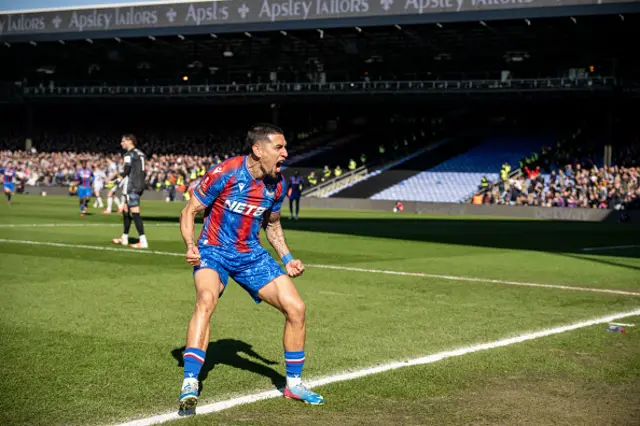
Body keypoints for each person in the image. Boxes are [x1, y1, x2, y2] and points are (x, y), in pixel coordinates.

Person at [178, 123, 324, 414]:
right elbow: (190, 210)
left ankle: (293, 384)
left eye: (285, 147)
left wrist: (287, 257)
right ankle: (190, 381)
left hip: (251, 256)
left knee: (296, 308)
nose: (285, 153)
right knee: (206, 300)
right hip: (213, 250)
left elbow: (272, 224)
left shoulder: (278, 184)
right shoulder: (227, 172)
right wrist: (190, 245)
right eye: (279, 147)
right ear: (258, 150)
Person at [111, 134, 148, 249]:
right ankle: (125, 237)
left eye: (123, 141)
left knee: (135, 212)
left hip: (132, 186)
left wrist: (116, 182)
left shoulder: (129, 154)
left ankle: (143, 240)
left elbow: (126, 170)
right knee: (126, 210)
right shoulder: (141, 154)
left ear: (130, 141)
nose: (121, 143)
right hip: (140, 184)